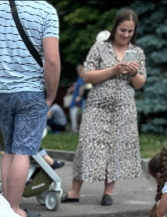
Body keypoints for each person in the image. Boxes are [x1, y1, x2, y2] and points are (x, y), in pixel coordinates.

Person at [0, 1, 61, 217]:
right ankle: (15, 209)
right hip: (32, 91)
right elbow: (52, 60)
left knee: (9, 148)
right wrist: (51, 95)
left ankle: (6, 207)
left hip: (2, 93)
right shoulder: (46, 11)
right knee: (23, 150)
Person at [62, 10, 146, 206]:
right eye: (122, 30)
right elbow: (87, 76)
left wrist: (133, 73)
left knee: (115, 148)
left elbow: (140, 83)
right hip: (97, 107)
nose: (126, 35)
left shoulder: (138, 52)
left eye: (130, 31)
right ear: (115, 27)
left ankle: (108, 192)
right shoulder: (100, 48)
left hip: (123, 109)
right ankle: (75, 191)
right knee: (87, 144)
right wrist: (113, 70)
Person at [66, 62, 85, 132]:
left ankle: (75, 130)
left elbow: (81, 87)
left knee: (75, 116)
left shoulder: (81, 78)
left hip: (76, 101)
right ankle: (75, 129)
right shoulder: (79, 79)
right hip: (76, 101)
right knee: (77, 116)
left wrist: (79, 96)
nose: (79, 71)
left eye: (80, 69)